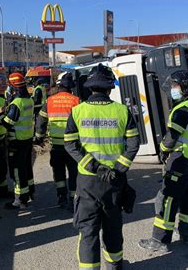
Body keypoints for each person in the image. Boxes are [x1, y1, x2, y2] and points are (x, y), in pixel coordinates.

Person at [64, 64, 140, 269]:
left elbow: (70, 143)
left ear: (90, 88)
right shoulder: (122, 111)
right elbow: (134, 143)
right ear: (109, 88)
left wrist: (94, 166)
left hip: (88, 182)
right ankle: (115, 267)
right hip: (114, 181)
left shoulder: (77, 111)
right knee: (113, 228)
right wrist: (118, 169)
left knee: (88, 231)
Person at [139, 70, 188, 252]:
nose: (173, 89)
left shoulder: (182, 110)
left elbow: (172, 136)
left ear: (185, 88)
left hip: (180, 159)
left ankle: (159, 240)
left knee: (168, 199)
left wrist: (163, 149)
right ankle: (187, 234)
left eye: (176, 86)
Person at [35, 72, 80, 209]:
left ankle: (61, 197)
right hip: (73, 145)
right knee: (74, 173)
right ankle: (73, 199)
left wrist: (39, 137)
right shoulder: (76, 101)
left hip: (56, 146)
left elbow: (41, 122)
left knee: (58, 171)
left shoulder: (50, 101)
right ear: (70, 88)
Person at [0, 72, 35, 209]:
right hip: (27, 139)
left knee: (17, 171)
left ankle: (20, 200)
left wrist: (1, 115)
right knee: (27, 167)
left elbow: (8, 123)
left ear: (13, 86)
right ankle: (30, 191)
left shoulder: (17, 103)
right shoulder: (29, 100)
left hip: (16, 141)